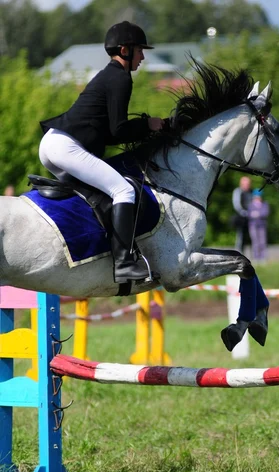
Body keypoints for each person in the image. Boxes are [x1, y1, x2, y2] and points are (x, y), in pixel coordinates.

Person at [39, 21, 165, 284]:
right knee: (124, 191)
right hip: (66, 146)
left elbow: (107, 133)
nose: (143, 56)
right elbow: (119, 131)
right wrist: (148, 125)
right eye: (139, 50)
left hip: (53, 144)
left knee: (99, 194)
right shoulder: (120, 77)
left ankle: (98, 247)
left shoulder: (109, 74)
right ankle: (123, 264)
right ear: (124, 50)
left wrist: (144, 130)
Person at [247, 189, 270, 261]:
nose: (257, 198)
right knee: (255, 242)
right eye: (256, 196)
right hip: (253, 225)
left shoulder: (265, 204)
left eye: (259, 196)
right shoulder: (250, 205)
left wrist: (257, 214)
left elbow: (265, 213)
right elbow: (249, 214)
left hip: (262, 225)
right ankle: (256, 257)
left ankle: (262, 257)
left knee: (262, 241)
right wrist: (257, 214)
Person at [231, 176, 252, 253]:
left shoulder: (251, 192)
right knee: (241, 235)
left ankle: (254, 254)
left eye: (248, 184)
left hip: (252, 217)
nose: (247, 185)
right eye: (245, 184)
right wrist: (244, 212)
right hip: (241, 218)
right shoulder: (238, 191)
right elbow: (237, 205)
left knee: (252, 236)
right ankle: (240, 253)